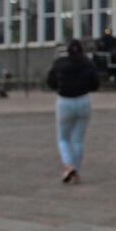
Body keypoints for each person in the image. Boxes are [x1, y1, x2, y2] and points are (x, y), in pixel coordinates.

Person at [46, 39, 100, 184]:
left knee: (63, 138)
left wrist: (59, 86)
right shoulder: (88, 63)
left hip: (65, 101)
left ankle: (69, 165)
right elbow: (96, 84)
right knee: (78, 139)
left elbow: (50, 81)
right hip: (83, 100)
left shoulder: (60, 63)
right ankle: (76, 169)